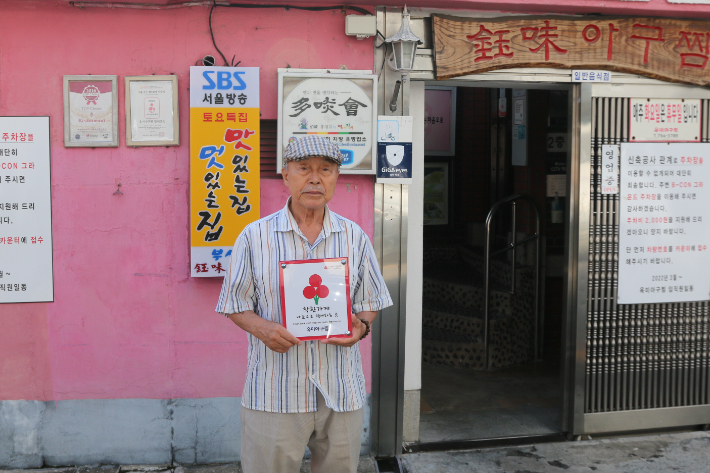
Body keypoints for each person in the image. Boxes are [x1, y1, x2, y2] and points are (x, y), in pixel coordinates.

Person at [216, 135, 392, 473]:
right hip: (275, 390)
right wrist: (262, 328)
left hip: (341, 388)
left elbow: (370, 299)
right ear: (285, 175)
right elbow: (234, 302)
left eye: (326, 169)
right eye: (303, 169)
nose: (315, 178)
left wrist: (363, 324)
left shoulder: (354, 236)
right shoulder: (254, 237)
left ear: (337, 177)